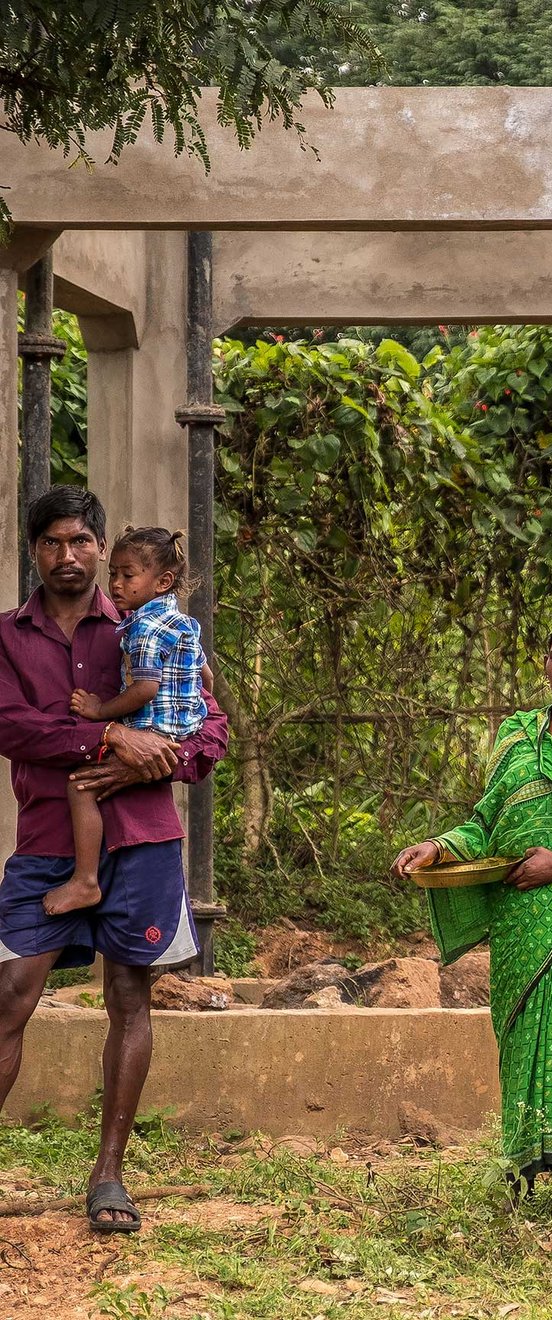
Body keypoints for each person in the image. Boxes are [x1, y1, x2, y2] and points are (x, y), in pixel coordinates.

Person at [0, 486, 228, 1235]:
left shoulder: (148, 625)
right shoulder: (7, 637)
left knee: (130, 998)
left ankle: (109, 1175)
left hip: (143, 840)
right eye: (52, 542)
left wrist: (155, 759)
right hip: (44, 843)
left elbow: (209, 731)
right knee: (11, 996)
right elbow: (14, 727)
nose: (69, 556)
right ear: (33, 551)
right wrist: (106, 739)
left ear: (101, 548)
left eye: (81, 542)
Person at [390, 615, 552, 1229]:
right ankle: (524, 1180)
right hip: (518, 918)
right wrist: (437, 846)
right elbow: (486, 823)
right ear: (545, 664)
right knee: (521, 1044)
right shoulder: (517, 739)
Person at [54, 527, 208, 917]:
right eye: (114, 575)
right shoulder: (181, 621)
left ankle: (85, 880)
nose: (117, 584)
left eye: (128, 575)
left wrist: (98, 711)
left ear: (162, 581)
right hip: (185, 727)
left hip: (152, 730)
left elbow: (144, 691)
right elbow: (206, 678)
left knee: (81, 787)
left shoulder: (142, 628)